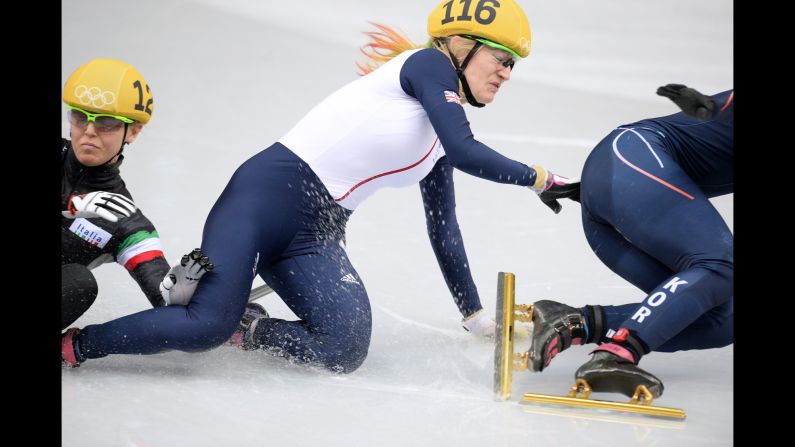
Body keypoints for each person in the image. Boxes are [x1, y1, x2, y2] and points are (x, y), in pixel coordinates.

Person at [61, 0, 580, 371]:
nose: (508, 74)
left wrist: (475, 316)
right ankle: (76, 347)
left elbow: (444, 227)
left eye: (513, 65)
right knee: (202, 327)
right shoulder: (427, 65)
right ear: (461, 46)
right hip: (263, 201)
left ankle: (246, 327)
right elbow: (471, 154)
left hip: (316, 231)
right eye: (502, 59)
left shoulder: (443, 128)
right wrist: (541, 178)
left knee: (344, 347)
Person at [524, 84, 733, 398]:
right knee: (721, 264)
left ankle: (572, 322)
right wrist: (712, 107)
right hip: (629, 160)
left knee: (724, 318)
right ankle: (618, 353)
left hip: (616, 205)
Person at [61, 59, 212, 356]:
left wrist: (176, 297)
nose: (89, 131)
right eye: (80, 117)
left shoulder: (127, 223)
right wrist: (70, 205)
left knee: (80, 283)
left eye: (106, 123)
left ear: (132, 132)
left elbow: (163, 296)